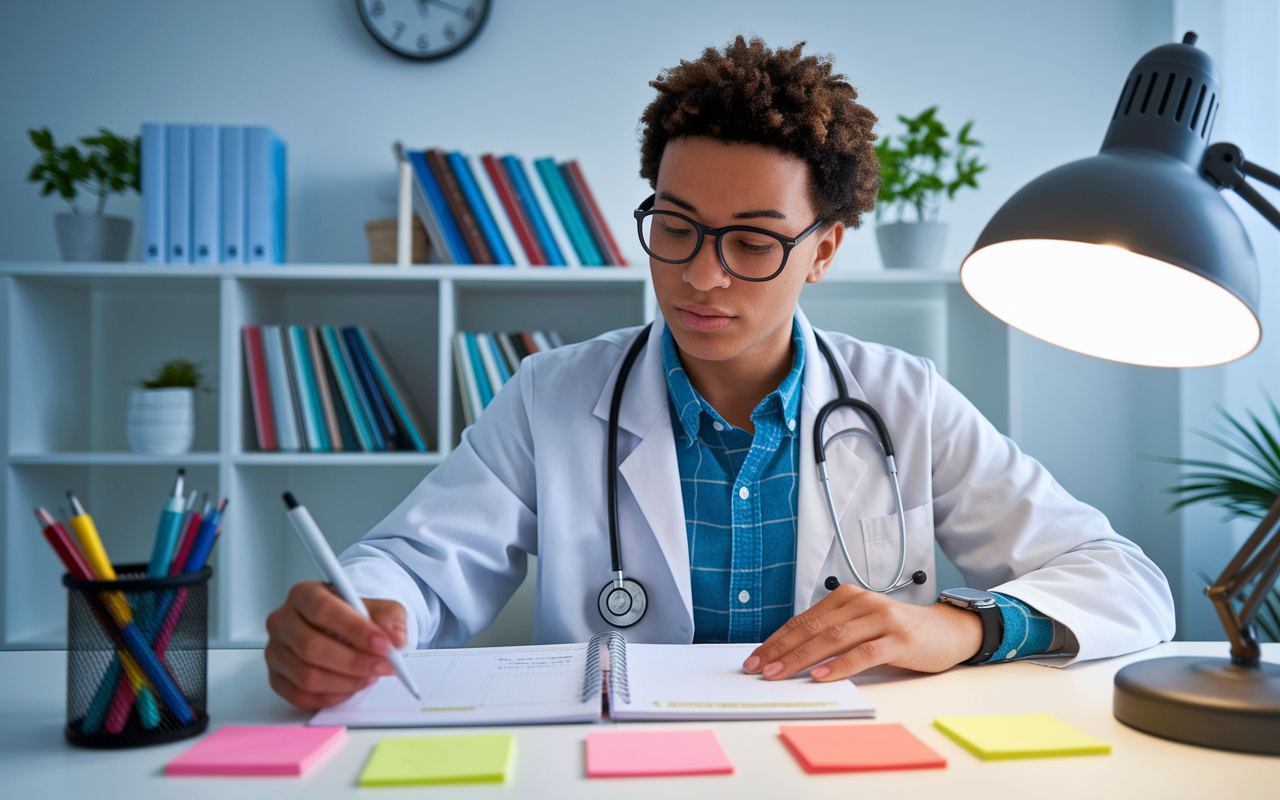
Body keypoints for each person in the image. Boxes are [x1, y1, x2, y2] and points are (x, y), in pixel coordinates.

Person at [265, 36, 1175, 709]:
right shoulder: (552, 396)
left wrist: (958, 626)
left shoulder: (906, 402)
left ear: (823, 251)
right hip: (618, 765)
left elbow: (1123, 582)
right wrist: (356, 617)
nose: (702, 274)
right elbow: (419, 567)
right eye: (676, 226)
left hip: (847, 764)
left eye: (752, 241)